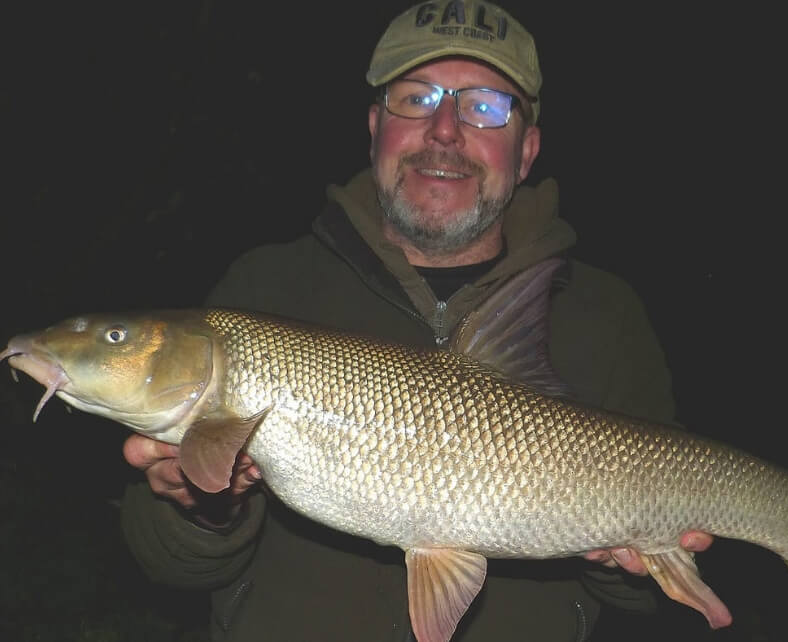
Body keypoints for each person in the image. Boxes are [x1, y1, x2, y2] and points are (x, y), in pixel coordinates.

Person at [120, 2, 713, 640]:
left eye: (484, 105)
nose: (445, 130)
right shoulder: (263, 289)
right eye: (416, 98)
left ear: (527, 150)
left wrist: (622, 564)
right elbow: (166, 567)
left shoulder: (604, 314)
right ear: (375, 126)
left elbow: (639, 605)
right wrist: (202, 511)